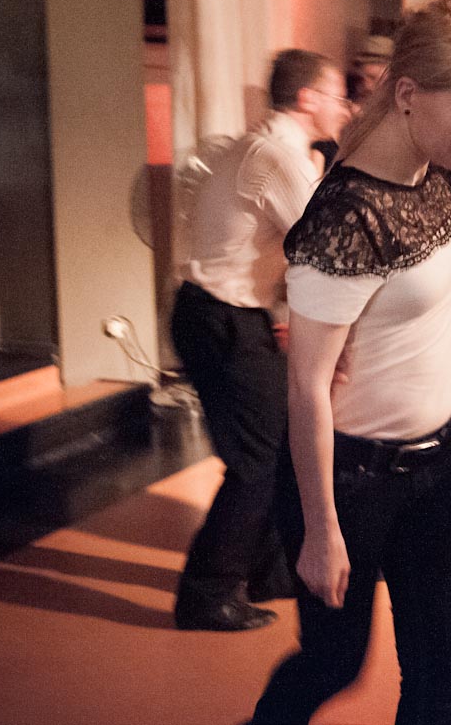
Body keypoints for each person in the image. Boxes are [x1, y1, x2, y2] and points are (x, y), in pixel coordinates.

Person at [248, 0, 451, 724]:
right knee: (334, 663)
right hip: (352, 476)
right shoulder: (347, 215)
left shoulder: (439, 172)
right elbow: (306, 386)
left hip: (441, 463)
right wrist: (321, 528)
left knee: (439, 681)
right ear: (407, 95)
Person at [171, 49, 349, 632]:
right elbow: (325, 243)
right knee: (259, 457)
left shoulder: (265, 148)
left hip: (220, 314)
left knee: (278, 446)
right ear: (307, 98)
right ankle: (206, 593)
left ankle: (269, 571)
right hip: (222, 317)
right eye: (337, 94)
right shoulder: (275, 157)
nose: (345, 106)